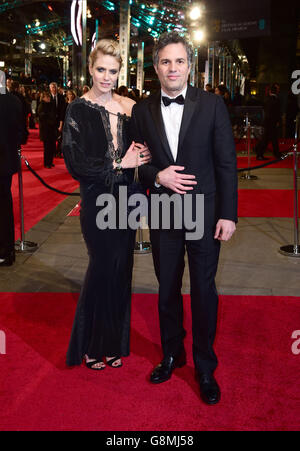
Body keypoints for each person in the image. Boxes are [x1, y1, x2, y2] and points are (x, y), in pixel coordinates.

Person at [131, 32, 237, 405]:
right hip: (162, 210)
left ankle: (205, 365)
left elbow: (227, 163)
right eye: (165, 61)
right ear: (155, 67)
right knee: (166, 290)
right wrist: (156, 176)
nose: (172, 68)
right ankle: (172, 353)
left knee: (204, 291)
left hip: (205, 213)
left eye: (179, 61)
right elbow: (136, 165)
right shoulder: (141, 111)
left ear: (190, 66)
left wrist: (228, 214)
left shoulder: (212, 105)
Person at [62, 39, 151, 370]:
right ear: (90, 68)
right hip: (97, 200)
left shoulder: (130, 106)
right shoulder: (77, 109)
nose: (106, 77)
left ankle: (113, 342)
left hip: (128, 200)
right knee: (101, 267)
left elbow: (144, 147)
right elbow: (75, 163)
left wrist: (145, 157)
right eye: (101, 69)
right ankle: (91, 344)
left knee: (121, 270)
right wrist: (118, 165)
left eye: (113, 71)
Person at [0, 71, 23, 266]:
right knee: (5, 205)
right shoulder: (15, 102)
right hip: (7, 162)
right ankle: (7, 250)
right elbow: (22, 135)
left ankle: (4, 250)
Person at [254, 84, 282, 160]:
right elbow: (276, 113)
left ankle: (262, 152)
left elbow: (266, 110)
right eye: (278, 89)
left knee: (269, 139)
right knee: (268, 139)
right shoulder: (275, 99)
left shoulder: (267, 99)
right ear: (276, 91)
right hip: (271, 122)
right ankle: (261, 153)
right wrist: (277, 121)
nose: (279, 90)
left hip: (268, 122)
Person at [38, 91, 57, 168]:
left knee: (52, 146)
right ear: (43, 98)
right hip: (45, 129)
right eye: (47, 97)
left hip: (52, 129)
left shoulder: (51, 105)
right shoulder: (41, 105)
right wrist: (49, 118)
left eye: (49, 97)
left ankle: (50, 161)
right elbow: (41, 116)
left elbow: (54, 114)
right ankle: (46, 163)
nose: (48, 98)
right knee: (47, 147)